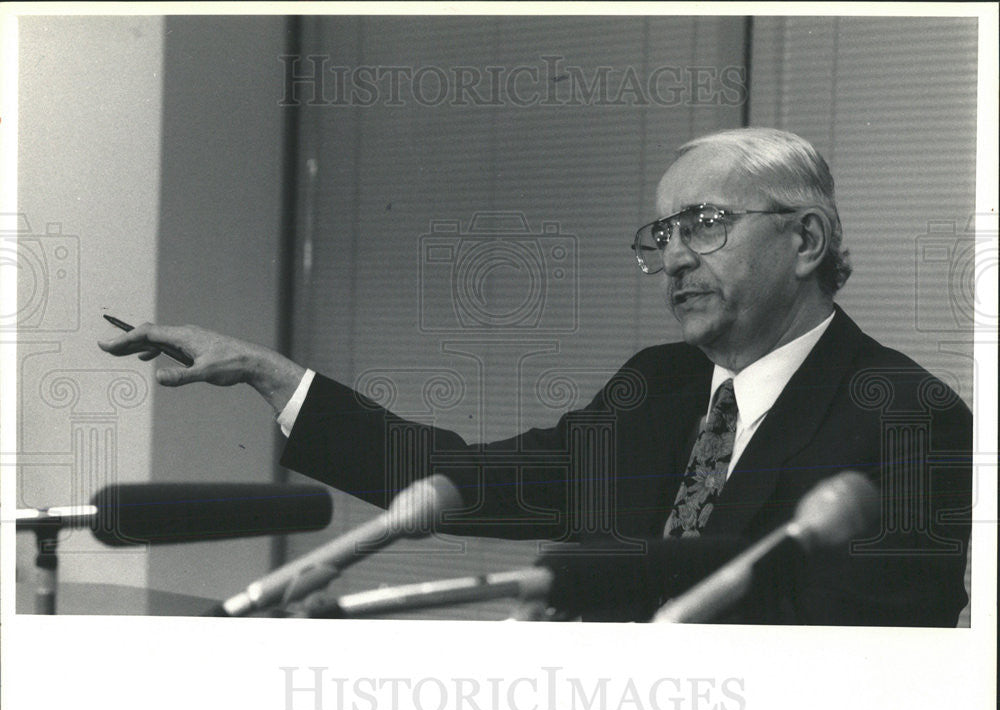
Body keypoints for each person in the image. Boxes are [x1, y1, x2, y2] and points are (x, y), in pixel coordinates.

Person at [99, 128, 972, 626]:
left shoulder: (908, 418)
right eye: (660, 236)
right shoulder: (659, 386)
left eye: (703, 225)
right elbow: (465, 480)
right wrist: (272, 373)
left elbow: (874, 654)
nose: (672, 259)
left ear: (806, 242)